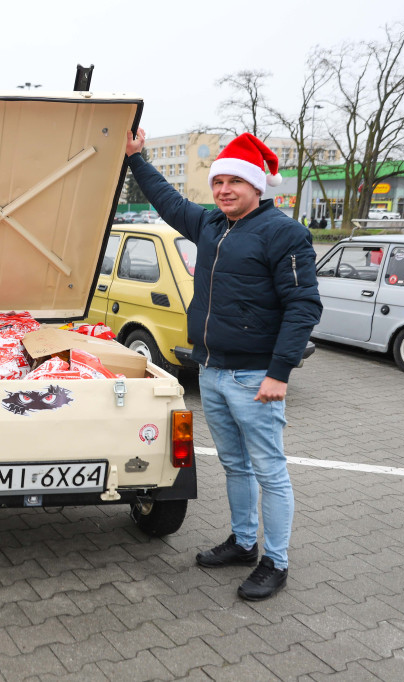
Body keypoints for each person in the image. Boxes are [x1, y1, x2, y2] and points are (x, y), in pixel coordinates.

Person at [125, 129, 322, 601]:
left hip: (254, 378)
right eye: (218, 182)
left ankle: (276, 562)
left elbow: (303, 307)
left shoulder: (285, 234)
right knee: (235, 465)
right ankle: (244, 542)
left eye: (235, 181)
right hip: (211, 372)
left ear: (257, 185)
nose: (224, 190)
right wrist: (136, 159)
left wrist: (279, 372)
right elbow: (169, 202)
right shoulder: (212, 225)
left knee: (269, 471)